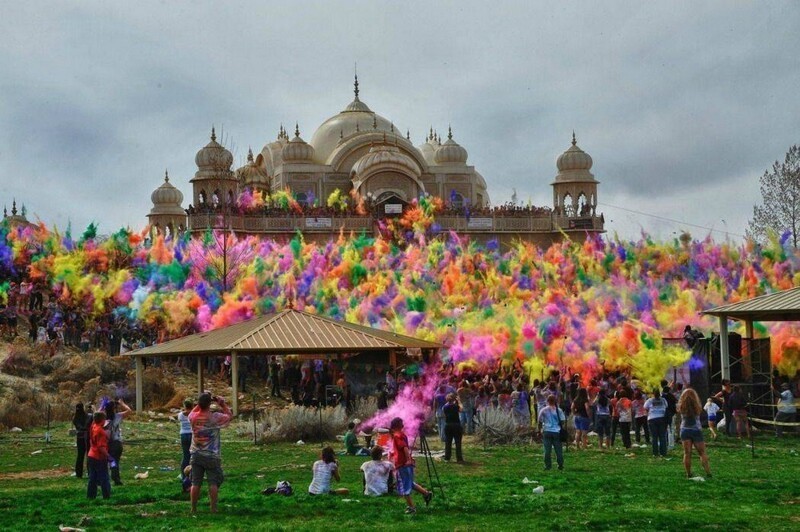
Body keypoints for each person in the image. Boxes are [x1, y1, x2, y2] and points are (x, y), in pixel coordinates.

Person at [189, 392, 233, 514]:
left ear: (198, 404)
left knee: (195, 482)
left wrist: (201, 402)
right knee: (213, 482)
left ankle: (193, 508)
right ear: (209, 404)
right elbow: (229, 416)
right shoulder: (215, 417)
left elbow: (193, 411)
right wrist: (222, 404)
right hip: (211, 454)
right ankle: (213, 508)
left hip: (196, 453)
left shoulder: (193, 417)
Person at [389, 417, 433, 514]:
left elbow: (404, 448)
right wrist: (393, 454)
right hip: (406, 464)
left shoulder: (396, 436)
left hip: (403, 464)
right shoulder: (402, 434)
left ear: (393, 426)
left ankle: (411, 507)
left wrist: (408, 459)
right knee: (410, 483)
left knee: (404, 486)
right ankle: (426, 494)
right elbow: (402, 449)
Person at [677, 388, 712, 479]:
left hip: (685, 430)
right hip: (696, 430)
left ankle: (688, 474)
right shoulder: (697, 406)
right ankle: (708, 472)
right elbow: (699, 412)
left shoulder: (681, 406)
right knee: (702, 453)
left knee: (687, 453)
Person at [104, 398, 131, 486]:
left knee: (111, 461)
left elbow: (95, 414)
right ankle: (116, 478)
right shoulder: (117, 416)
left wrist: (102, 406)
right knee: (115, 461)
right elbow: (129, 410)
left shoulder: (103, 418)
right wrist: (122, 403)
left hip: (107, 443)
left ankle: (112, 476)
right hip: (116, 443)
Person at [87, 411, 111, 500]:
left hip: (91, 455)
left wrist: (101, 407)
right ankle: (106, 496)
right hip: (99, 457)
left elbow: (95, 418)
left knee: (92, 477)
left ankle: (90, 496)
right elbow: (101, 447)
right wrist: (109, 457)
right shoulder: (101, 431)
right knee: (104, 477)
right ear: (102, 420)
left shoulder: (93, 426)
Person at [537, 394, 565, 471]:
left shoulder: (543, 410)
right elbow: (562, 421)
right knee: (558, 450)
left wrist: (539, 431)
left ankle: (548, 466)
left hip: (546, 431)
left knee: (547, 450)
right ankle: (560, 465)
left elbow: (539, 421)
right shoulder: (559, 410)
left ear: (547, 401)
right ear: (555, 401)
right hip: (556, 431)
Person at [644, 389, 669, 457]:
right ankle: (663, 452)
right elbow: (666, 407)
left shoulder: (649, 400)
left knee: (654, 437)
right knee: (662, 436)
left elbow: (645, 408)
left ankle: (655, 453)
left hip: (652, 418)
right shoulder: (663, 400)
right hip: (662, 418)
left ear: (653, 393)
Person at [442, 393, 464, 463]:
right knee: (458, 442)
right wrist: (459, 401)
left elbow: (444, 409)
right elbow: (461, 409)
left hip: (448, 425)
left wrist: (450, 400)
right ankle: (459, 459)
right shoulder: (455, 406)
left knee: (448, 442)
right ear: (454, 399)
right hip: (456, 425)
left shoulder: (445, 407)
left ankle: (447, 458)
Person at [72, 403, 90, 478]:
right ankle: (89, 472)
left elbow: (79, 427)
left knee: (80, 456)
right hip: (87, 437)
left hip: (80, 437)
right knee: (88, 455)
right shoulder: (87, 416)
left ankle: (79, 473)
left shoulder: (75, 418)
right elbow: (85, 425)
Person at [178, 399, 194, 481]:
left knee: (185, 456)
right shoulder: (193, 414)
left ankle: (183, 475)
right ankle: (193, 474)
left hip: (183, 434)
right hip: (192, 434)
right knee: (193, 456)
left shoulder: (180, 414)